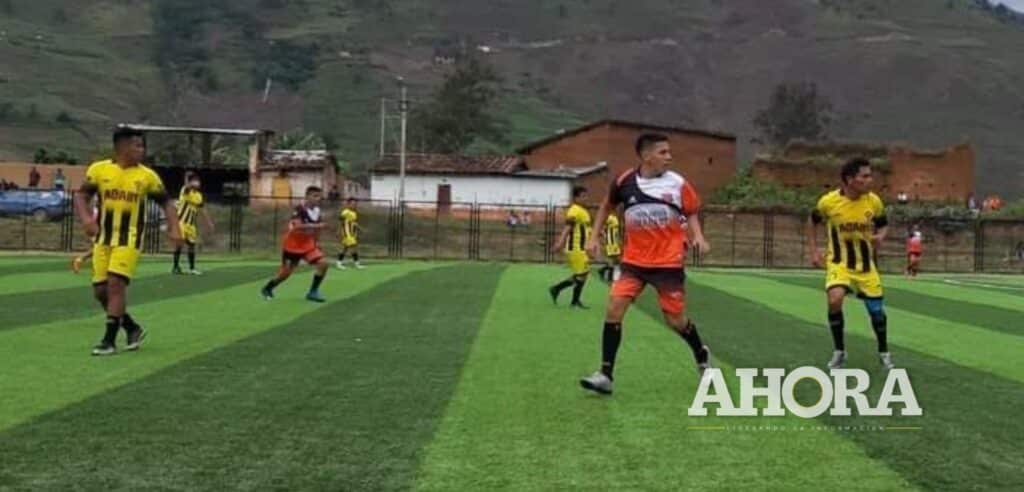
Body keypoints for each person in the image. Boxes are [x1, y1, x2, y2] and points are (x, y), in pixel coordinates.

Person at [578, 133, 712, 395]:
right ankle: (605, 375)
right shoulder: (624, 182)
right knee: (614, 308)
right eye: (663, 153)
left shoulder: (678, 184)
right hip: (634, 262)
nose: (669, 157)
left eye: (669, 153)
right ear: (646, 156)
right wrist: (593, 237)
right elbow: (606, 206)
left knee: (675, 321)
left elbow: (691, 210)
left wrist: (698, 236)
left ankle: (700, 352)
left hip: (668, 262)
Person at [73, 127, 183, 356]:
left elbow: (166, 203)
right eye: (137, 145)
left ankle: (108, 341)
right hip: (103, 239)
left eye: (142, 146)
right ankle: (131, 328)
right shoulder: (100, 170)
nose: (141, 150)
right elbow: (82, 195)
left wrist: (175, 228)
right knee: (101, 292)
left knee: (115, 284)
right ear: (122, 147)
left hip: (129, 239)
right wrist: (86, 220)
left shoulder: (146, 176)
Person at [807, 158, 893, 371]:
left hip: (865, 266)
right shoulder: (828, 202)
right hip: (839, 263)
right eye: (864, 176)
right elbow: (812, 222)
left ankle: (884, 352)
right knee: (834, 299)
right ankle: (839, 352)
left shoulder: (873, 201)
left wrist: (880, 237)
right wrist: (814, 250)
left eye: (870, 176)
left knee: (877, 313)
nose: (869, 180)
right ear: (849, 179)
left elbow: (883, 225)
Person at [261, 186, 330, 302]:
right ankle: (268, 288)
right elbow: (297, 226)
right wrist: (316, 226)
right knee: (285, 273)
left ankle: (312, 292)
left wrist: (316, 242)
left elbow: (317, 230)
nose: (318, 199)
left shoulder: (317, 211)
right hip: (292, 245)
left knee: (323, 263)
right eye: (315, 196)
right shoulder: (299, 209)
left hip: (307, 244)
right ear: (307, 197)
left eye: (320, 196)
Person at [549, 186, 592, 309]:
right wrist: (560, 243)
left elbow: (586, 229)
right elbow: (568, 228)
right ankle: (559, 290)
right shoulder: (574, 210)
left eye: (586, 195)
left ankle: (572, 299)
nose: (586, 198)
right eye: (583, 196)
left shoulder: (583, 211)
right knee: (582, 273)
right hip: (575, 247)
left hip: (582, 248)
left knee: (583, 274)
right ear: (576, 198)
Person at [172, 171, 215, 275]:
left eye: (198, 181)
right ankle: (175, 267)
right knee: (179, 244)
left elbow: (202, 209)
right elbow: (187, 187)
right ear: (191, 182)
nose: (197, 183)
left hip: (191, 224)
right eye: (195, 181)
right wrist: (187, 178)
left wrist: (209, 222)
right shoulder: (185, 190)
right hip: (181, 222)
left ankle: (192, 268)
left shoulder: (198, 196)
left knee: (191, 245)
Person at [336, 197, 364, 269]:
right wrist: (338, 231)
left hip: (352, 233)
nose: (354, 205)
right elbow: (340, 221)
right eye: (352, 204)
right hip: (347, 233)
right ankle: (357, 263)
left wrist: (360, 229)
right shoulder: (345, 212)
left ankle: (339, 263)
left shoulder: (354, 213)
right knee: (353, 247)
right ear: (348, 204)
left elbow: (354, 223)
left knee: (344, 248)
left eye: (355, 204)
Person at [597, 212, 622, 283]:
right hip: (610, 243)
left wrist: (618, 240)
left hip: (615, 243)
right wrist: (604, 235)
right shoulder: (609, 217)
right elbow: (601, 227)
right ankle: (610, 276)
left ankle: (603, 271)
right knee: (613, 260)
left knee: (616, 260)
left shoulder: (615, 218)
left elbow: (616, 232)